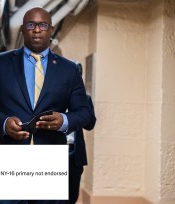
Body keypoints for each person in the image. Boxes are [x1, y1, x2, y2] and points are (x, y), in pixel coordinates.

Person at [0, 7, 92, 204]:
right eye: (31, 24)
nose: (37, 29)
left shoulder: (69, 69)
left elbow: (84, 112)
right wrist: (3, 123)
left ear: (50, 29)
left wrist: (64, 120)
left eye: (43, 25)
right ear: (22, 29)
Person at [68, 63, 96, 204]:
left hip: (74, 153)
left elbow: (90, 125)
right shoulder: (51, 96)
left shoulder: (86, 99)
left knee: (72, 195)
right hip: (53, 150)